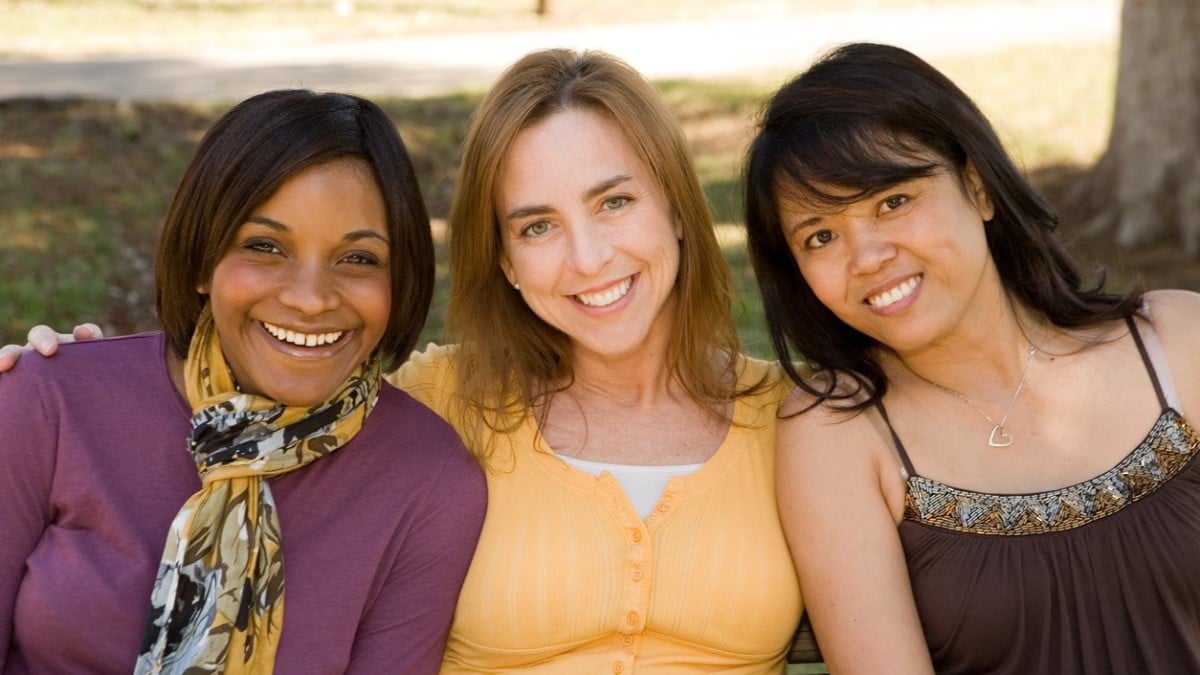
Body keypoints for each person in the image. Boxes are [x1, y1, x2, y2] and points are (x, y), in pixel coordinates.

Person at [1, 49, 805, 673]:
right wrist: (61, 381)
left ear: (678, 208)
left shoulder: (797, 424)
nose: (588, 256)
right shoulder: (436, 406)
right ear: (503, 261)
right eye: (536, 226)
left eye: (615, 201)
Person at [743, 42, 1200, 674]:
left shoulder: (1179, 342)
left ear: (977, 187)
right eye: (821, 235)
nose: (867, 256)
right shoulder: (838, 435)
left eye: (893, 201)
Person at [0, 89, 486, 674]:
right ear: (205, 261)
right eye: (265, 247)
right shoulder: (47, 403)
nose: (309, 298)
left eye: (357, 258)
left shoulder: (427, 480)